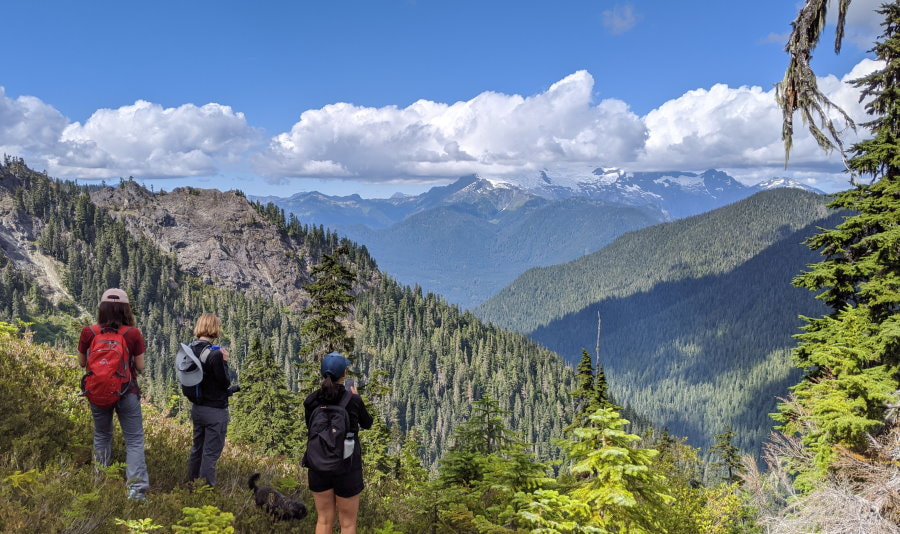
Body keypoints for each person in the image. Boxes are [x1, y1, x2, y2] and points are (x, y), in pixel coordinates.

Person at [77, 288, 149, 500]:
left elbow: (82, 363)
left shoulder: (89, 332)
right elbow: (141, 366)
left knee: (102, 436)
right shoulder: (132, 334)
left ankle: (100, 484)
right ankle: (136, 493)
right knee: (134, 440)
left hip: (98, 392)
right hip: (127, 391)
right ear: (126, 310)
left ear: (102, 308)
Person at [304, 352, 373, 534]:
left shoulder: (311, 401)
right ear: (344, 374)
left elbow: (310, 429)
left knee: (324, 520)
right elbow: (368, 423)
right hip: (347, 465)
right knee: (348, 524)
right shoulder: (353, 400)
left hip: (318, 465)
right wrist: (356, 398)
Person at [183, 313, 236, 487]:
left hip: (197, 408)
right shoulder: (215, 355)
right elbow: (224, 382)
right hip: (215, 411)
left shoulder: (189, 350)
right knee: (210, 454)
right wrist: (225, 361)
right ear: (215, 329)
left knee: (197, 450)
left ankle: (191, 486)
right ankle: (205, 492)